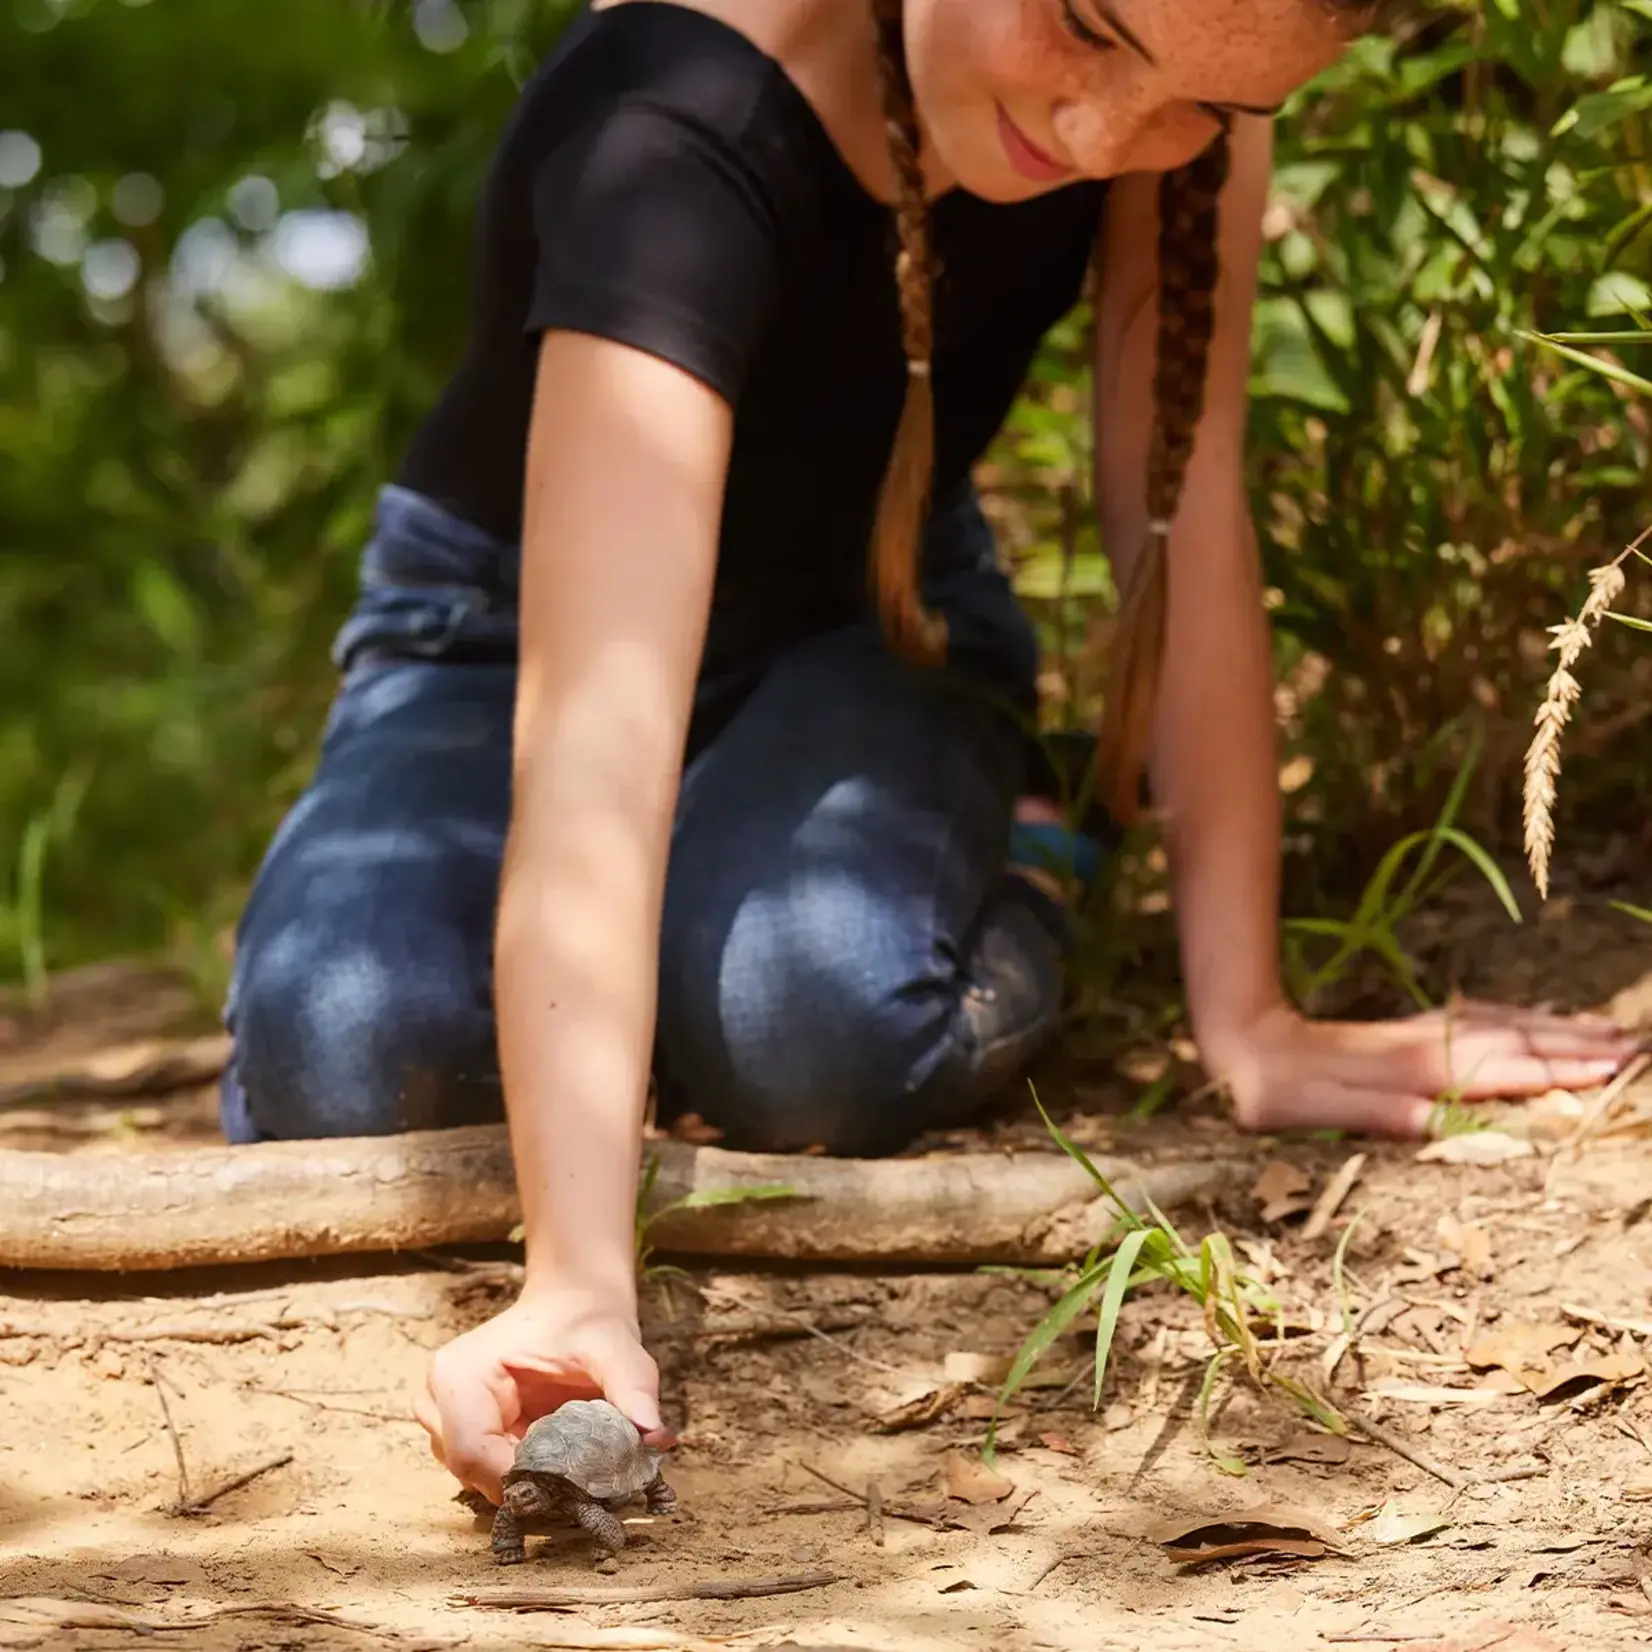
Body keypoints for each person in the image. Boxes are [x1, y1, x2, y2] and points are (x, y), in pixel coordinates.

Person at [217, 0, 1638, 1504]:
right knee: (352, 1043)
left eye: (1199, 110)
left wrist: (1251, 1019)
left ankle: (1019, 836)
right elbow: (598, 737)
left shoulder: (1190, 53)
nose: (1101, 135)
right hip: (506, 630)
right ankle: (679, 946)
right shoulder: (683, 111)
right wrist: (576, 1281)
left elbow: (1182, 497)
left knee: (814, 1021)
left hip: (874, 611)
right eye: (1081, 27)